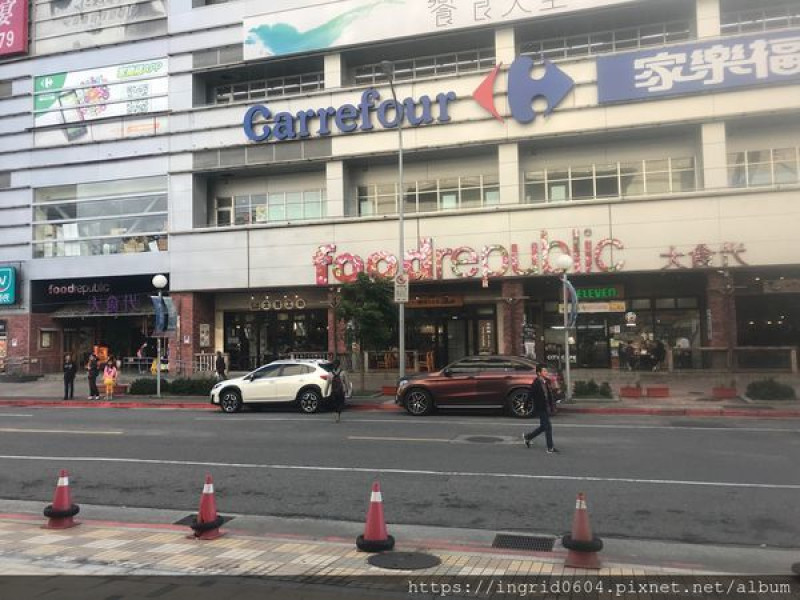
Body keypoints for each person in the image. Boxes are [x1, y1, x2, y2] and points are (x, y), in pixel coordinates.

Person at [522, 364, 559, 453]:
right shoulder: (536, 383)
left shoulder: (546, 381)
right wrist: (525, 406)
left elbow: (549, 394)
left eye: (546, 371)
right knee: (548, 427)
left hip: (546, 407)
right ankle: (550, 448)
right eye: (544, 371)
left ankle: (528, 437)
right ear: (539, 373)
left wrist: (552, 405)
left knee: (543, 427)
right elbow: (530, 395)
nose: (546, 372)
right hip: (541, 408)